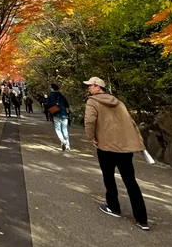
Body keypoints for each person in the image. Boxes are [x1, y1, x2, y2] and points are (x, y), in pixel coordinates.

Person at [83, 76, 149, 230]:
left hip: (105, 146)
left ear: (98, 87)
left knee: (108, 176)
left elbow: (90, 121)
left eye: (91, 86)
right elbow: (131, 122)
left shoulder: (93, 101)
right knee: (130, 180)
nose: (89, 88)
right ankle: (142, 219)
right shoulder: (119, 102)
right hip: (124, 148)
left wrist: (91, 137)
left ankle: (114, 207)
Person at [45, 83, 71, 150]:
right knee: (65, 129)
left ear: (52, 88)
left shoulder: (50, 96)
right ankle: (67, 145)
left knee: (58, 129)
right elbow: (67, 105)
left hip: (56, 114)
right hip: (64, 114)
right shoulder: (62, 96)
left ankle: (62, 140)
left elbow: (47, 105)